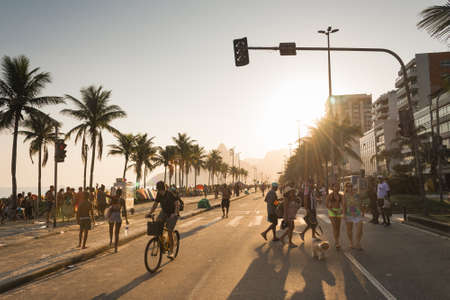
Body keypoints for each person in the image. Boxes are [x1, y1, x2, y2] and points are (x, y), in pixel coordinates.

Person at [147, 181, 179, 259]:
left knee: (169, 231)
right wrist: (150, 213)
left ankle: (171, 252)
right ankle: (160, 242)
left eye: (161, 190)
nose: (160, 192)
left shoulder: (170, 194)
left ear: (164, 189)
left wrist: (175, 213)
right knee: (156, 225)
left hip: (172, 213)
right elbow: (155, 204)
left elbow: (177, 204)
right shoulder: (158, 195)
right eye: (159, 190)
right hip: (164, 212)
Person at [105, 189, 129, 253]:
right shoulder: (122, 200)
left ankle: (110, 240)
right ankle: (115, 248)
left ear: (116, 193)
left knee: (111, 229)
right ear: (121, 194)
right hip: (118, 215)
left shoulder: (113, 198)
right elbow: (124, 210)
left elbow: (109, 204)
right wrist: (126, 219)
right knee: (117, 233)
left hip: (112, 215)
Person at [343, 182, 364, 250]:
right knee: (349, 230)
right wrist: (344, 214)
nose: (350, 188)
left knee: (360, 229)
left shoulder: (357, 195)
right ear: (346, 188)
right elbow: (344, 206)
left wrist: (362, 211)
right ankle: (351, 242)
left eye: (351, 186)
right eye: (348, 186)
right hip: (349, 214)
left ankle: (357, 243)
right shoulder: (345, 196)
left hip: (357, 214)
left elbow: (360, 203)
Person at [326, 183, 343, 249]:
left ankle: (337, 240)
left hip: (338, 211)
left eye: (338, 187)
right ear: (333, 188)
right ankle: (336, 242)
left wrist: (342, 210)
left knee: (338, 227)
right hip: (332, 211)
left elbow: (343, 204)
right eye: (335, 186)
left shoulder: (340, 195)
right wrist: (332, 210)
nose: (337, 188)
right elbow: (327, 205)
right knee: (335, 226)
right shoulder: (329, 195)